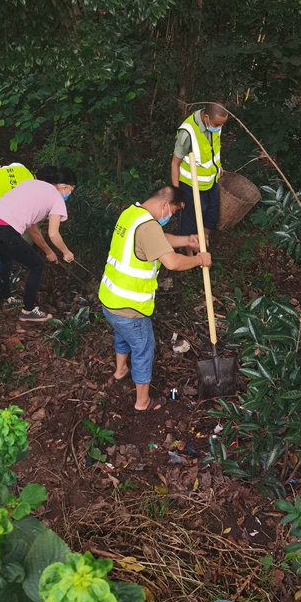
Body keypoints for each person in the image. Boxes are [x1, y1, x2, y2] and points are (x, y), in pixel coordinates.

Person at [98, 185, 212, 412]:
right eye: (173, 211)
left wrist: (185, 241)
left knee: (122, 335)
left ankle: (120, 371)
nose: (171, 217)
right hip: (130, 306)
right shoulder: (149, 226)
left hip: (109, 300)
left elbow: (158, 239)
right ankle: (143, 402)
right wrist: (200, 260)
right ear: (164, 205)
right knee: (143, 348)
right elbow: (173, 263)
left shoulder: (132, 213)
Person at [0, 167, 77, 322]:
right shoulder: (57, 198)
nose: (69, 194)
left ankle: (6, 299)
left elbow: (34, 231)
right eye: (71, 190)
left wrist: (48, 252)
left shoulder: (31, 184)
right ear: (64, 186)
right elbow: (53, 233)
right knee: (37, 267)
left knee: (6, 259)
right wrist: (66, 252)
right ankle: (28, 311)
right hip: (5, 232)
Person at [170, 102, 228, 254]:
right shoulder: (187, 132)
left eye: (222, 125)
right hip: (190, 185)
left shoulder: (215, 125)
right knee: (190, 222)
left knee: (211, 217)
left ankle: (203, 241)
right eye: (217, 124)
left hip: (211, 182)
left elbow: (211, 151)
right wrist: (177, 194)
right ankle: (189, 255)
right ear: (206, 117)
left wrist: (217, 167)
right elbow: (175, 163)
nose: (219, 127)